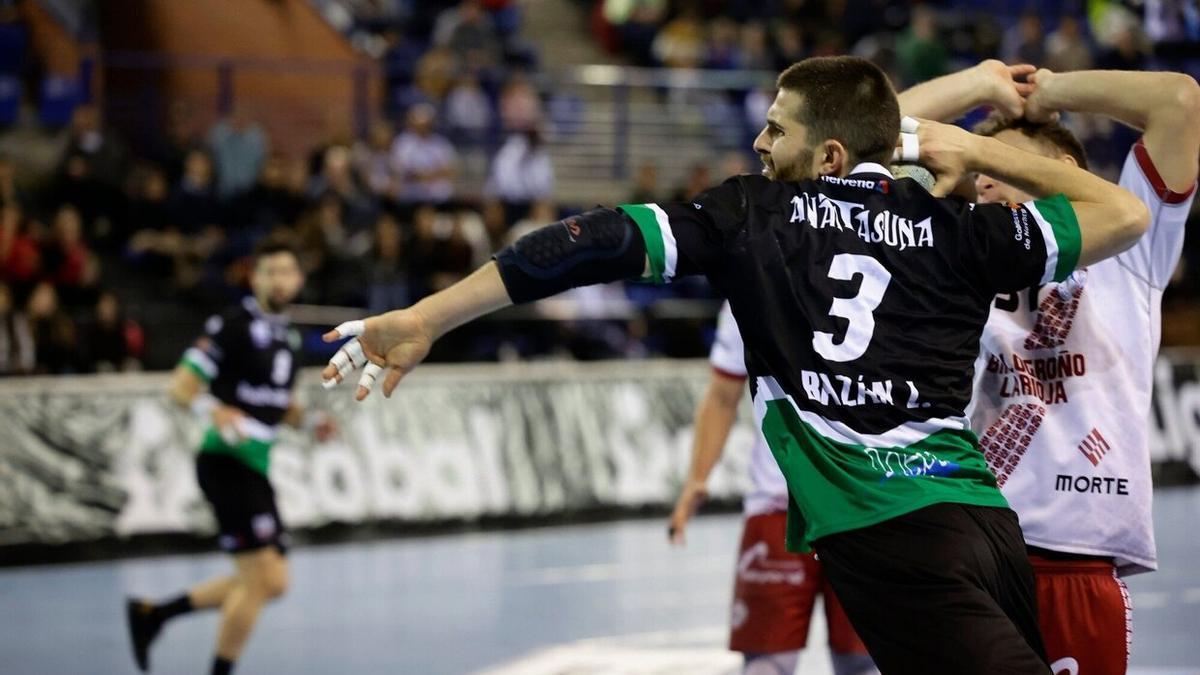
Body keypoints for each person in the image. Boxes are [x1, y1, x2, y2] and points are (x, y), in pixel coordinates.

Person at [321, 56, 1149, 673]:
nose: (757, 142)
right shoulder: (958, 229)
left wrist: (429, 316)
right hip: (982, 522)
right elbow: (1122, 211)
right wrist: (979, 149)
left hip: (886, 530)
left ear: (824, 153)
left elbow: (585, 245)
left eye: (775, 129)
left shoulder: (753, 214)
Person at [899, 60, 1200, 675]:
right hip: (967, 547)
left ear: (1059, 174)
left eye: (1000, 167)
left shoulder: (1129, 249)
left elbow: (1178, 99)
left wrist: (1047, 92)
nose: (982, 183)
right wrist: (981, 86)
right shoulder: (960, 255)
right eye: (976, 171)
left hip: (1076, 560)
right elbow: (861, 139)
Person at [125, 238, 335, 675]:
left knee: (272, 582)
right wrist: (212, 408)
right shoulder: (232, 324)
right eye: (269, 271)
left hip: (254, 467)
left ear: (298, 280)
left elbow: (281, 406)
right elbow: (180, 387)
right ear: (254, 278)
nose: (279, 280)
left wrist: (312, 422)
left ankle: (153, 616)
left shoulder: (290, 336)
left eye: (286, 271)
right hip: (225, 463)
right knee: (261, 582)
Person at [669, 303, 876, 675]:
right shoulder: (742, 284)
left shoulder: (747, 270)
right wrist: (696, 479)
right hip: (795, 502)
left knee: (862, 661)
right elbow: (722, 393)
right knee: (772, 664)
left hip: (862, 503)